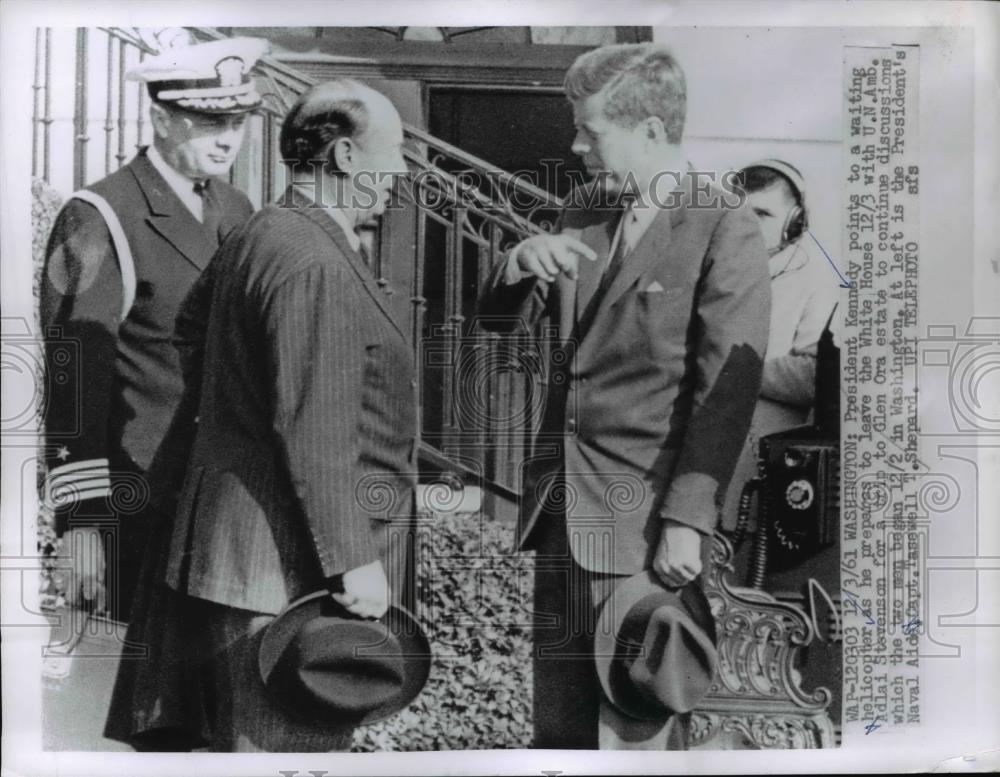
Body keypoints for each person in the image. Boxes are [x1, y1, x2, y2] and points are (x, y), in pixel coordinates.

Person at [478, 43, 771, 749]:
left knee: (629, 729)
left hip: (643, 523)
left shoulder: (721, 223)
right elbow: (494, 323)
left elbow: (723, 393)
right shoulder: (586, 210)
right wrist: (519, 264)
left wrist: (688, 519)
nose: (576, 145)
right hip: (561, 513)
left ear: (649, 130)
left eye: (590, 130)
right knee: (559, 733)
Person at [149, 79, 414, 752]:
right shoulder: (311, 257)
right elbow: (314, 427)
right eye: (395, 154)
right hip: (290, 572)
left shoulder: (262, 231)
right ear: (348, 157)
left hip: (249, 556)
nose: (402, 174)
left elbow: (188, 333)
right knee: (287, 754)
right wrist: (353, 560)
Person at [40, 34, 267, 621]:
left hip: (218, 500)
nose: (228, 138)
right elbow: (75, 375)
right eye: (207, 122)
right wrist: (82, 523)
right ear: (161, 119)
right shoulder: (100, 214)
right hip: (136, 500)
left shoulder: (237, 209)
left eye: (238, 121)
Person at [719, 160, 840, 533]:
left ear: (795, 222)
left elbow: (814, 376)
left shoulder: (817, 279)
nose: (747, 225)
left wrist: (729, 372)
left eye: (763, 214)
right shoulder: (712, 269)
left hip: (758, 470)